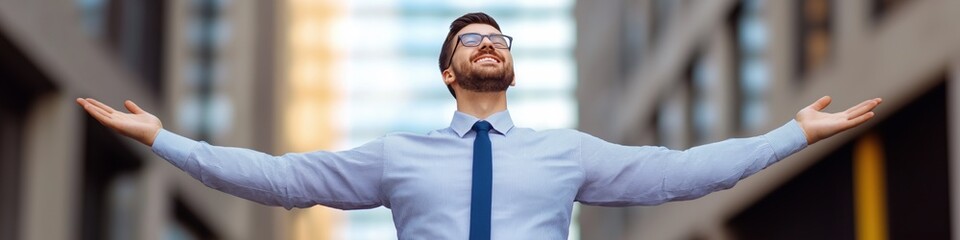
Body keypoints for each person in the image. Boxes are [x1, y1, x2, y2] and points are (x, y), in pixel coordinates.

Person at [76, 12, 881, 240]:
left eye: (501, 39)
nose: (490, 45)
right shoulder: (398, 156)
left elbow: (683, 173)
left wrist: (792, 133)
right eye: (472, 40)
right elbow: (280, 180)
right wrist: (163, 139)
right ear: (448, 69)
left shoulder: (568, 152)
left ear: (512, 66)